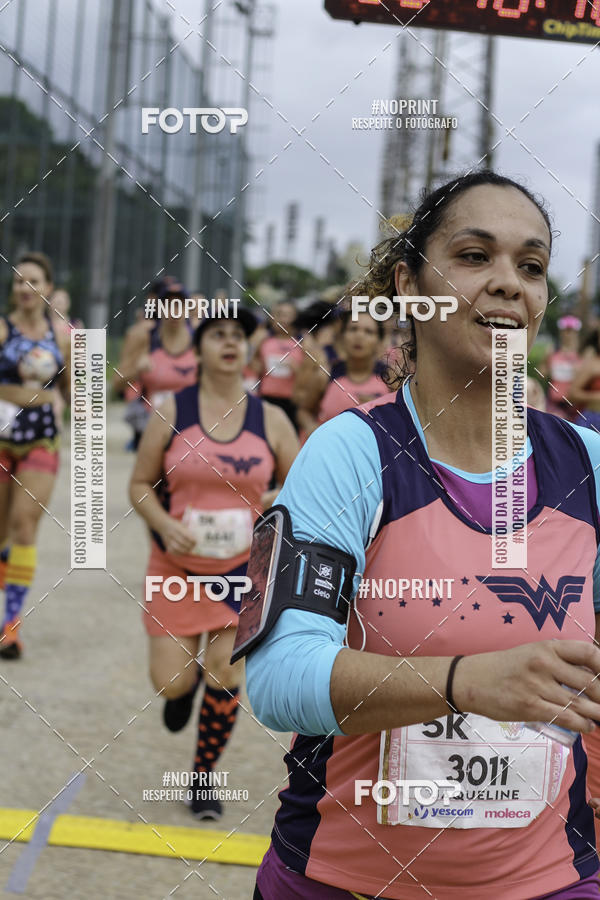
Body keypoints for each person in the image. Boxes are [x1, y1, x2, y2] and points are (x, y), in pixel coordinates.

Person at [242, 171, 600, 898]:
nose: (508, 283)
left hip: (552, 881)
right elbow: (278, 679)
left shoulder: (588, 464)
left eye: (530, 267)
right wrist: (466, 683)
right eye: (475, 256)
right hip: (344, 879)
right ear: (410, 284)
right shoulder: (352, 453)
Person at [129, 311, 299, 820]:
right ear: (198, 350)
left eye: (238, 336)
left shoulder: (270, 418)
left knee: (225, 674)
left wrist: (273, 499)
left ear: (247, 350)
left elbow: (300, 484)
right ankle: (183, 692)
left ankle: (202, 778)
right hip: (178, 568)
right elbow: (138, 484)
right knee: (173, 683)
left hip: (244, 571)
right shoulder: (170, 409)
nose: (229, 343)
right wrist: (162, 522)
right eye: (217, 335)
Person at [0, 252, 70, 659]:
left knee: (25, 526)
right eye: (17, 281)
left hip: (40, 437)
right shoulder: (2, 328)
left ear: (47, 289)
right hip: (2, 436)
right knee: (1, 533)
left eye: (33, 282)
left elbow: (76, 391)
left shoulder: (62, 336)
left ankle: (10, 624)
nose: (24, 289)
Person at [114, 279, 196, 450]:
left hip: (190, 426)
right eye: (168, 305)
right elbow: (117, 383)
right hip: (150, 427)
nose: (174, 312)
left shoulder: (199, 341)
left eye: (179, 305)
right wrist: (136, 370)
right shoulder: (144, 337)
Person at [295, 309, 387, 438]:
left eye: (369, 332)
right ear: (342, 336)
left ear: (379, 341)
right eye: (353, 329)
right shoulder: (325, 374)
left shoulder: (390, 377)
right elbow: (303, 411)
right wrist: (312, 428)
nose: (359, 336)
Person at [252, 300, 303, 429]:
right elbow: (253, 368)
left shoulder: (303, 344)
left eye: (288, 315)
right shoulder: (264, 341)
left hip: (291, 403)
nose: (283, 319)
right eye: (279, 314)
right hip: (266, 399)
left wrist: (296, 369)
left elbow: (309, 379)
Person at [541, 315, 581, 420]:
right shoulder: (553, 351)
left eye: (571, 331)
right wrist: (546, 360)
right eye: (565, 331)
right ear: (561, 332)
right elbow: (542, 373)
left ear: (576, 333)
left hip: (575, 406)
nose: (568, 334)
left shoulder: (582, 353)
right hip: (554, 404)